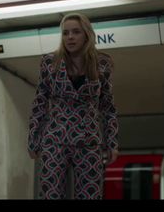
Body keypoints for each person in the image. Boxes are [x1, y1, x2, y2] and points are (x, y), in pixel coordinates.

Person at [27, 13, 119, 199]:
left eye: (76, 32)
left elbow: (108, 107)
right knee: (50, 195)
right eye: (65, 33)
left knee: (90, 196)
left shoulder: (102, 63)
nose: (70, 37)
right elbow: (40, 103)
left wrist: (112, 142)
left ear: (86, 34)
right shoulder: (50, 62)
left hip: (89, 141)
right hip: (55, 139)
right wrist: (33, 139)